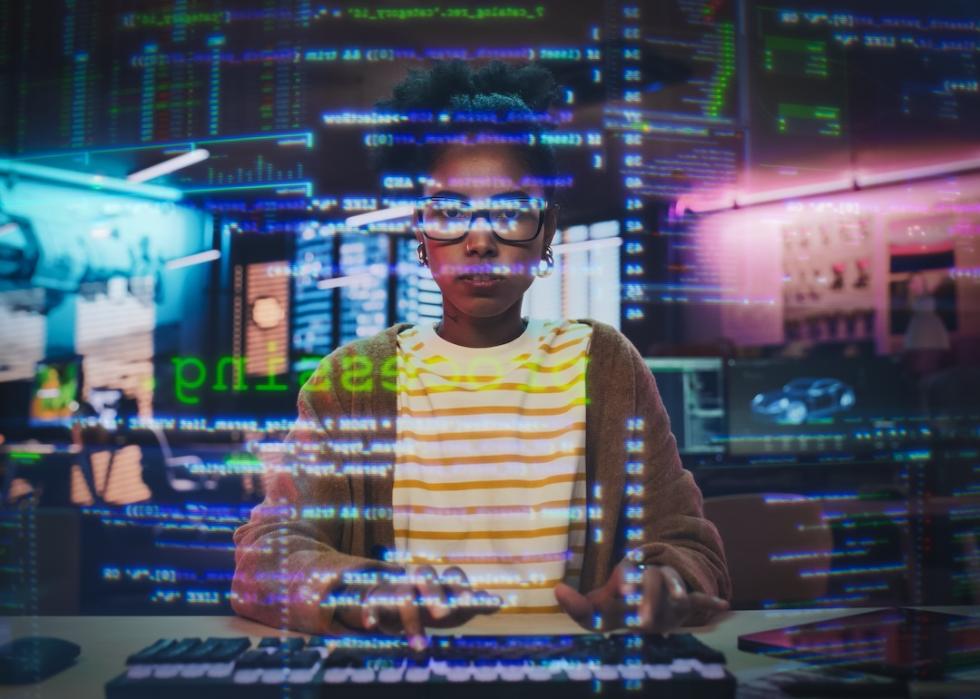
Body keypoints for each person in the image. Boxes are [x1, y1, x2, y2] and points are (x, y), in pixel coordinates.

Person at [231, 61, 730, 641]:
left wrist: (660, 577)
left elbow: (689, 543)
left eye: (512, 210)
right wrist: (365, 590)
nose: (480, 239)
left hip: (574, 674)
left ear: (546, 233)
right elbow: (264, 557)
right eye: (448, 212)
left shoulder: (604, 363)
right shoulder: (354, 378)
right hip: (405, 673)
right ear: (420, 234)